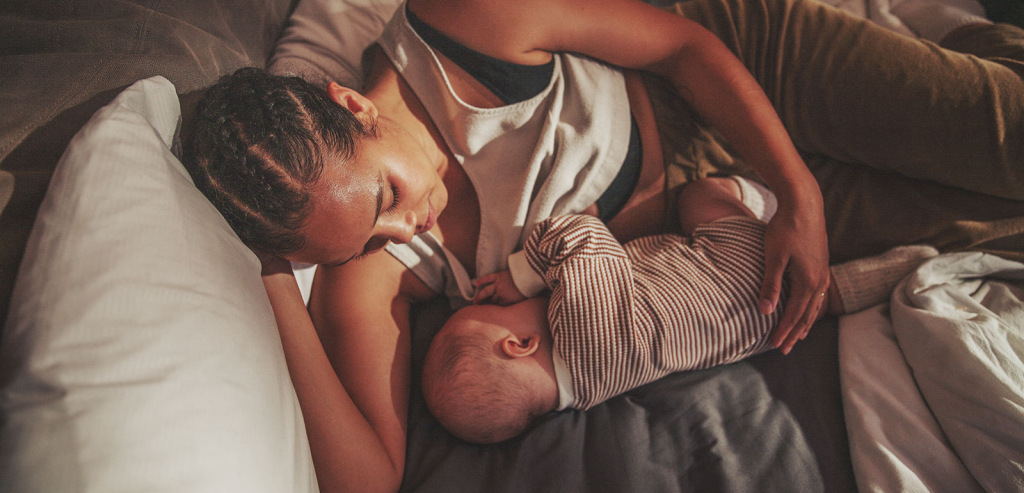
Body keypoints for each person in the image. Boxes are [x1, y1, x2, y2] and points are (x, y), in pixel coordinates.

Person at [181, 0, 1024, 490]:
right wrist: (266, 281)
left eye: (388, 196)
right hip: (719, 229)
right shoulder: (363, 281)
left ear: (353, 107)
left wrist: (799, 191)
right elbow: (367, 479)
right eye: (365, 239)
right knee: (989, 225)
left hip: (737, 75)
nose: (407, 229)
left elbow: (685, 48)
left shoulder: (459, 23)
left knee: (1000, 140)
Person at [420, 176, 936, 444]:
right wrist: (522, 275)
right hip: (733, 261)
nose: (502, 301)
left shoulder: (589, 391)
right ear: (518, 344)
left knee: (817, 303)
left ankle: (906, 269)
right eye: (492, 309)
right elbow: (583, 235)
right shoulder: (579, 322)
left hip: (755, 324)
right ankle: (756, 201)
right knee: (702, 194)